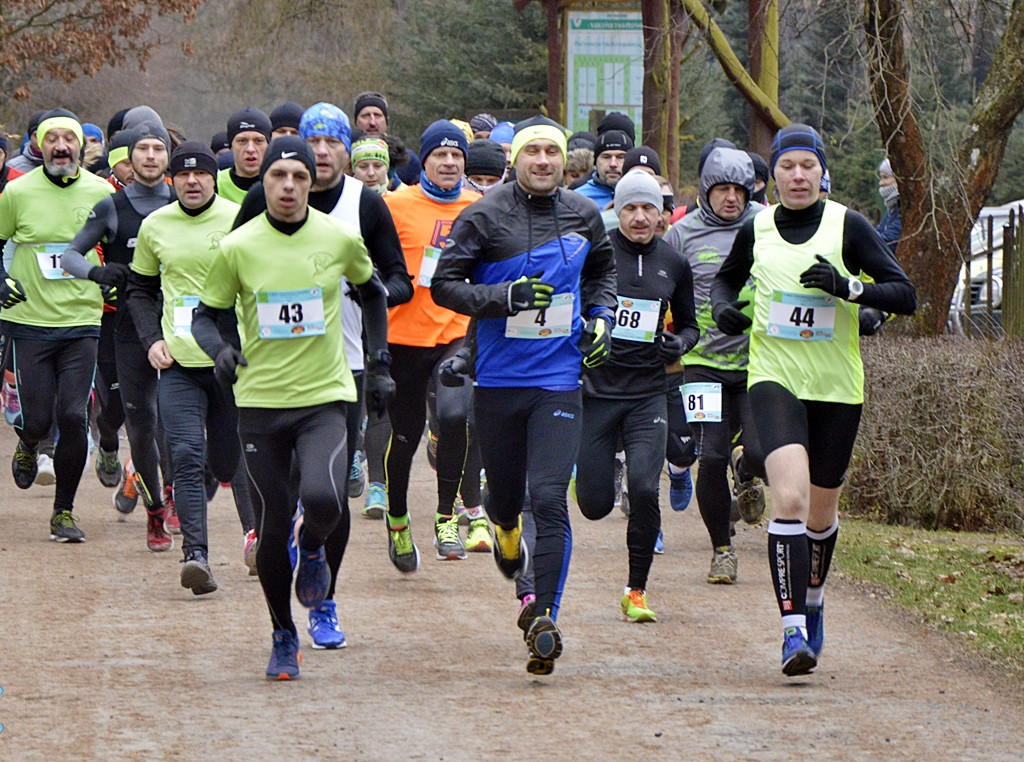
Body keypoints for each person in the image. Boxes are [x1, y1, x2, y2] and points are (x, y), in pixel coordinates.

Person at [711, 124, 917, 676]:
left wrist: (850, 288)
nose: (797, 176)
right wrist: (726, 310)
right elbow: (724, 285)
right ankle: (792, 630)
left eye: (807, 166)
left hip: (836, 388)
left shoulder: (847, 224)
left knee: (821, 515)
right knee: (792, 503)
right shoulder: (755, 228)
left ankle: (816, 595)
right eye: (786, 167)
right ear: (771, 175)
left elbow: (905, 294)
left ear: (821, 172)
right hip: (774, 379)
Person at [192, 136, 395, 681]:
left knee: (324, 498)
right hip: (259, 402)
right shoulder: (239, 247)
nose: (287, 186)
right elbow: (205, 317)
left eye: (298, 177)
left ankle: (313, 548)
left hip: (325, 395)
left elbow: (373, 293)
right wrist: (220, 352)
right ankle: (283, 634)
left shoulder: (338, 238)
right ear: (264, 183)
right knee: (272, 520)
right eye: (278, 176)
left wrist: (378, 364)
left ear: (313, 181)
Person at [431, 114, 618, 675]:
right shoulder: (484, 215)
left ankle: (544, 614)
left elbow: (601, 275)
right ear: (517, 160)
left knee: (549, 497)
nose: (543, 161)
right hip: (498, 383)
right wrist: (504, 296)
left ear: (564, 162)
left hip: (559, 379)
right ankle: (506, 536)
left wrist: (602, 319)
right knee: (507, 501)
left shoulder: (585, 215)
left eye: (552, 153)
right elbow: (445, 285)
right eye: (533, 152)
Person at [233, 102, 412, 647]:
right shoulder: (261, 201)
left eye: (334, 143)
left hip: (345, 366)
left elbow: (398, 283)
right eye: (314, 143)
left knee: (327, 492)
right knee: (282, 495)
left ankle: (324, 599)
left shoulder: (366, 205)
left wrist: (361, 290)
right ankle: (284, 586)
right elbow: (235, 271)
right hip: (270, 375)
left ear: (348, 150)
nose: (324, 152)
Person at [574, 170, 698, 623]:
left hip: (649, 393)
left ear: (662, 214)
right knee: (594, 505)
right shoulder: (596, 255)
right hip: (598, 392)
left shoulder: (673, 263)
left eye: (649, 208)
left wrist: (680, 344)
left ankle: (637, 590)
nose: (640, 217)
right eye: (630, 208)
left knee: (646, 489)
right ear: (617, 211)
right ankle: (592, 473)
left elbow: (690, 324)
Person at [126, 141, 245, 593]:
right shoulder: (155, 225)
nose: (192, 182)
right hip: (178, 363)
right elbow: (139, 289)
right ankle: (196, 556)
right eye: (183, 175)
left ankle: (251, 533)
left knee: (228, 462)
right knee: (186, 456)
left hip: (230, 363)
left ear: (215, 178)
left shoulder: (240, 219)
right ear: (172, 181)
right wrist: (151, 340)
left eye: (202, 175)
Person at [60, 120, 178, 552]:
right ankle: (154, 513)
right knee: (143, 425)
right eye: (141, 149)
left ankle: (177, 496)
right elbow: (70, 254)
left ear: (168, 156)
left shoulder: (188, 201)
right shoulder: (113, 206)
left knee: (184, 424)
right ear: (129, 157)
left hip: (184, 328)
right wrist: (96, 271)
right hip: (129, 330)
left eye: (157, 149)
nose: (150, 156)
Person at [0, 108, 115, 541]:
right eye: (53, 139)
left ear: (81, 147)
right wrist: (1, 281)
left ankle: (63, 511)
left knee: (72, 415)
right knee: (36, 416)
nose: (61, 146)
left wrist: (115, 284)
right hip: (28, 319)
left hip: (81, 319)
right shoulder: (18, 192)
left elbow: (118, 249)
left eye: (69, 139)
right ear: (39, 145)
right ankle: (28, 442)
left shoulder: (102, 191)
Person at [381, 119, 482, 568]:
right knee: (404, 437)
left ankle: (446, 518)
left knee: (456, 416)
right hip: (404, 335)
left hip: (456, 332)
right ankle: (398, 520)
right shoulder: (393, 204)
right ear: (424, 159)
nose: (449, 162)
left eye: (457, 155)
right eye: (440, 154)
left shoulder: (480, 206)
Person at [663, 146, 767, 584]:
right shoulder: (681, 234)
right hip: (702, 362)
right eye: (722, 189)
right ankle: (721, 548)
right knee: (711, 455)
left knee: (761, 453)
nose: (731, 199)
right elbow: (658, 287)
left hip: (756, 361)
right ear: (706, 191)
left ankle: (747, 476)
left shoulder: (767, 225)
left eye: (739, 191)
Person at [217, 107, 272, 204]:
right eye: (242, 141)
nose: (250, 149)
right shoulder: (215, 184)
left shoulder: (280, 184)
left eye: (258, 141)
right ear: (231, 146)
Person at [574, 130, 633, 208]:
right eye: (606, 157)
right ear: (595, 162)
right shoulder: (577, 199)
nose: (613, 164)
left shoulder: (642, 195)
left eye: (620, 157)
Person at [876, 158, 901, 254]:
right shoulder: (891, 209)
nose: (881, 183)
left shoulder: (903, 209)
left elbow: (889, 241)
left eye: (885, 177)